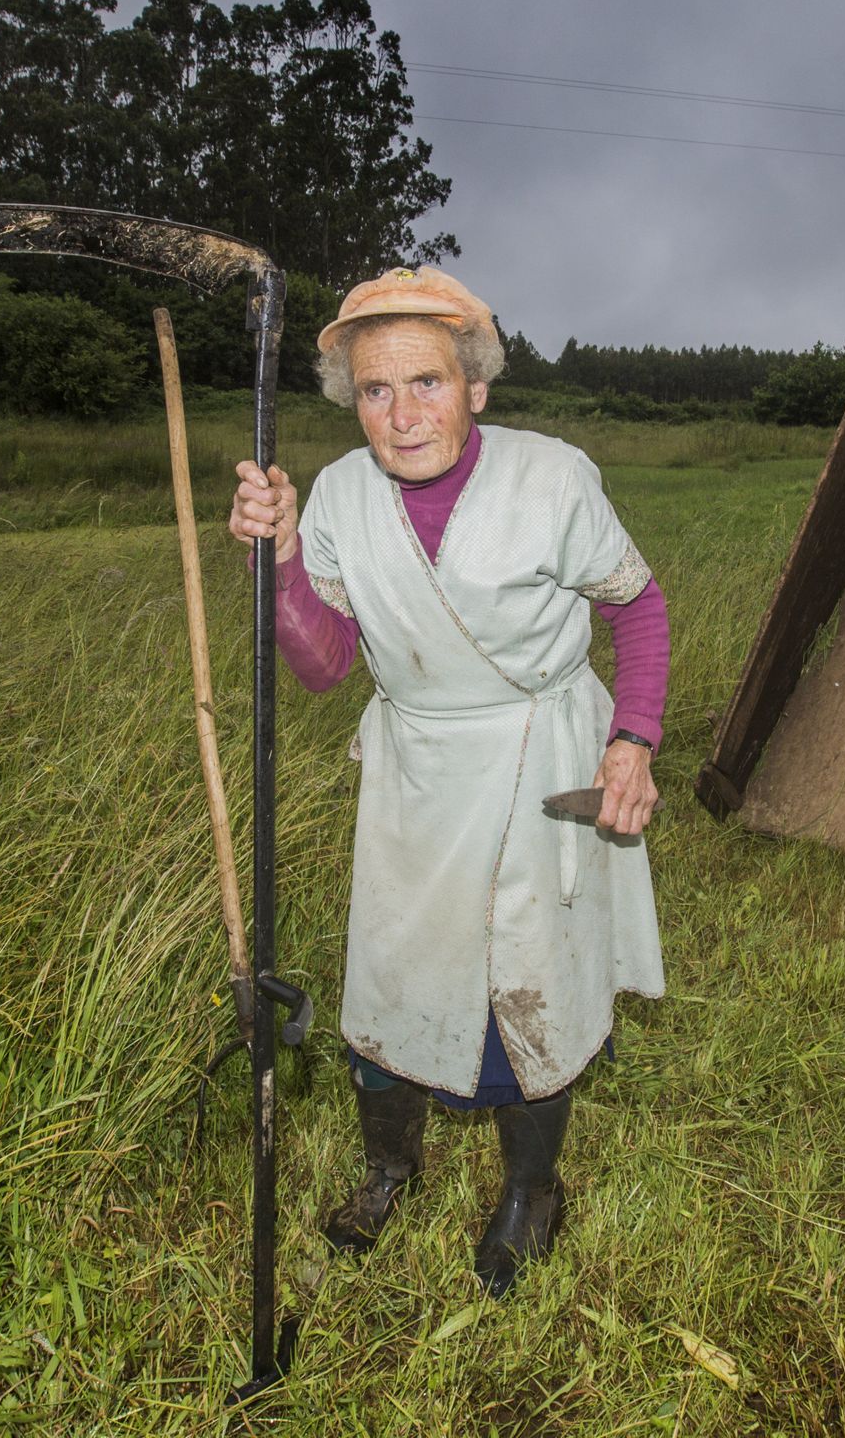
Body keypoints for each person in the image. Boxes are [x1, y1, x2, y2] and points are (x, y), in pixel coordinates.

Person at [226, 266, 669, 1297]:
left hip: (536, 754)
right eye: (375, 391)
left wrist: (631, 739)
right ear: (352, 399)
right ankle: (390, 1167)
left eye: (426, 382)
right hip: (417, 769)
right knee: (389, 974)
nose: (402, 413)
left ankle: (532, 1192)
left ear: (475, 383)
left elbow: (636, 607)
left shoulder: (553, 478)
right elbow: (327, 665)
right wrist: (283, 552)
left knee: (531, 977)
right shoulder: (338, 495)